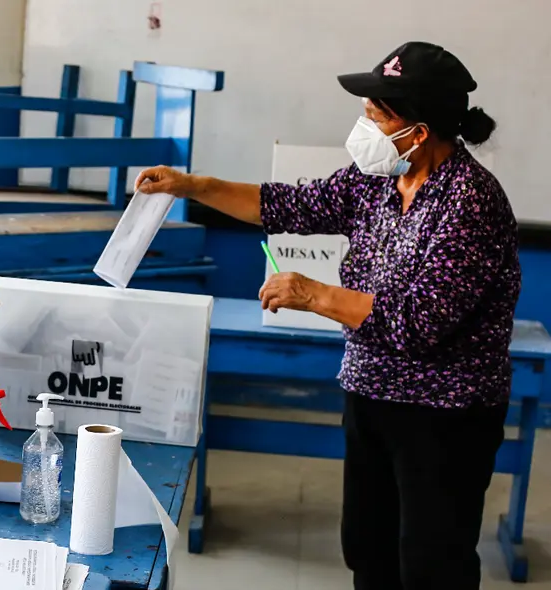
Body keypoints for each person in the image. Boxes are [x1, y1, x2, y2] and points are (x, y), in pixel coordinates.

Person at [136, 42, 519, 590]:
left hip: (445, 414)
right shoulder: (377, 179)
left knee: (433, 563)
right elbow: (286, 204)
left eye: (376, 116)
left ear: (420, 129)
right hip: (371, 394)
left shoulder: (470, 202)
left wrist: (313, 293)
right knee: (368, 548)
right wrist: (192, 187)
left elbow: (419, 322)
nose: (363, 128)